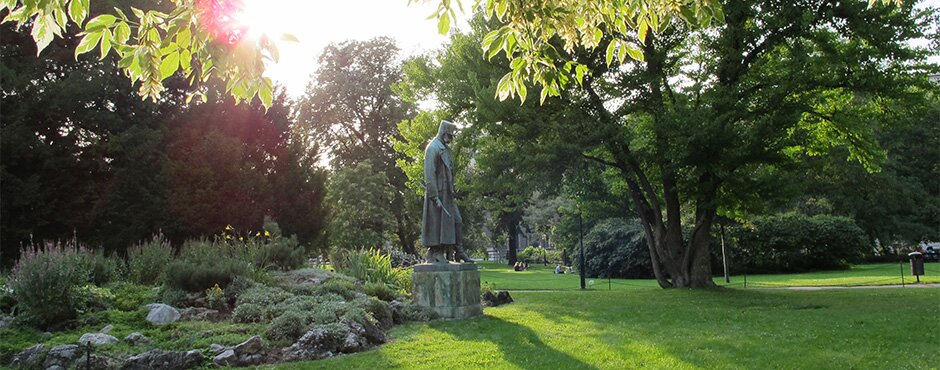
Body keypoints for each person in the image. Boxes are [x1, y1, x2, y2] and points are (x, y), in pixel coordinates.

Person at [421, 120, 472, 263]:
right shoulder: (433, 148)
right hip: (437, 194)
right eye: (449, 136)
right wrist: (434, 196)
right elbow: (429, 174)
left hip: (448, 195)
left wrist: (453, 189)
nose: (451, 139)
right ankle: (436, 252)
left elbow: (448, 171)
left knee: (457, 221)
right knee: (437, 225)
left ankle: (459, 252)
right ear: (444, 133)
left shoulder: (445, 149)